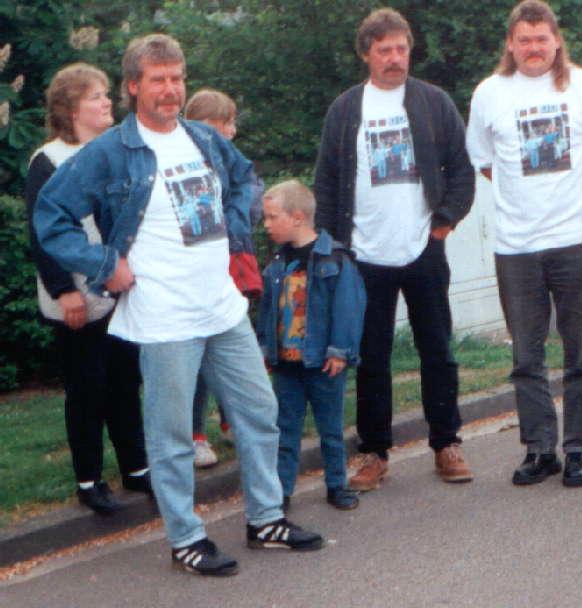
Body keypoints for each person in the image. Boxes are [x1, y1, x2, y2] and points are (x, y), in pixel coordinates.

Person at [34, 34, 322, 577]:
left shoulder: (200, 138)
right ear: (134, 87)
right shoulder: (109, 153)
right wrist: (103, 266)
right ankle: (186, 539)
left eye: (177, 79)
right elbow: (50, 217)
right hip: (164, 316)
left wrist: (236, 230)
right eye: (158, 80)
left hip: (221, 306)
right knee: (169, 437)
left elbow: (244, 178)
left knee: (261, 414)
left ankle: (266, 520)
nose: (170, 90)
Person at [314, 7, 476, 491]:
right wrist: (335, 248)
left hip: (422, 249)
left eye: (401, 48)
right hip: (364, 255)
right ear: (366, 54)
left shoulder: (433, 102)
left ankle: (446, 444)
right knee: (372, 355)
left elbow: (462, 170)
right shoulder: (346, 109)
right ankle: (374, 453)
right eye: (384, 49)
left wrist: (443, 223)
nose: (394, 58)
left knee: (438, 350)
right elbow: (326, 182)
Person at [466, 0, 582, 487]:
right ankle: (540, 449)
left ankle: (577, 449)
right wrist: (527, 202)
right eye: (524, 39)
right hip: (516, 247)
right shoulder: (489, 93)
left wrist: (568, 204)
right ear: (510, 45)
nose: (534, 48)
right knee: (526, 358)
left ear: (557, 41)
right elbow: (487, 164)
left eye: (542, 38)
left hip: (576, 241)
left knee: (581, 353)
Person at [24, 63, 151, 515]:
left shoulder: (112, 151)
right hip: (77, 293)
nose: (107, 103)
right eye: (97, 96)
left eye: (106, 95)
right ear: (71, 106)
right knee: (87, 387)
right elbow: (42, 233)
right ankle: (89, 479)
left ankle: (136, 467)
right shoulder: (49, 159)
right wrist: (64, 291)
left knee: (123, 379)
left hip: (116, 288)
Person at [257, 180, 366, 511]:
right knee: (285, 431)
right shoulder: (276, 263)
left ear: (298, 217)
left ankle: (337, 485)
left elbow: (349, 307)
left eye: (273, 217)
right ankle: (282, 491)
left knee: (330, 428)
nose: (266, 225)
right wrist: (265, 349)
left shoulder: (334, 259)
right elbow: (266, 312)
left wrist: (340, 350)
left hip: (322, 362)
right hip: (286, 366)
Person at [182, 88, 256, 468]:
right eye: (224, 123)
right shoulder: (181, 162)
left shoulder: (233, 163)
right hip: (197, 273)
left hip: (231, 266)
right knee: (197, 359)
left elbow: (248, 198)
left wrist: (236, 224)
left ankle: (232, 417)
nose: (231, 131)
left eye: (231, 122)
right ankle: (195, 433)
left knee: (232, 347)